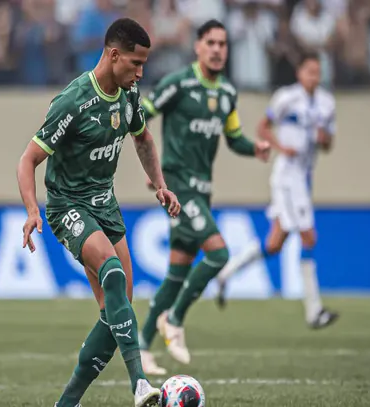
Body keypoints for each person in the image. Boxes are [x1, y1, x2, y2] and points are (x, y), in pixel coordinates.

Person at [16, 17, 181, 407]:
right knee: (112, 270)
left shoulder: (128, 96)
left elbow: (142, 137)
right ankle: (140, 383)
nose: (140, 73)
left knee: (116, 310)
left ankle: (67, 403)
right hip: (67, 205)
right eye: (135, 64)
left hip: (105, 205)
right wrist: (31, 210)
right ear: (113, 54)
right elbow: (28, 159)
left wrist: (160, 184)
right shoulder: (73, 101)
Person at [137, 19, 271, 374]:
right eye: (210, 42)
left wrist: (254, 147)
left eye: (222, 44)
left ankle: (141, 347)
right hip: (179, 185)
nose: (216, 49)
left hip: (203, 192)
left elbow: (234, 137)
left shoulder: (227, 92)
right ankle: (175, 319)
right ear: (197, 47)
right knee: (219, 254)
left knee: (177, 272)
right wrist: (155, 174)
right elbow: (141, 116)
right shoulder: (178, 84)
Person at [216, 52, 339, 330]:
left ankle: (226, 274)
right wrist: (282, 148)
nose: (313, 77)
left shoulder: (327, 104)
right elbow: (263, 126)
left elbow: (329, 143)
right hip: (287, 175)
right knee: (309, 237)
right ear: (299, 73)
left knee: (274, 244)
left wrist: (324, 139)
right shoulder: (286, 98)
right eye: (309, 71)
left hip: (305, 176)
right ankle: (314, 311)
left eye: (317, 73)